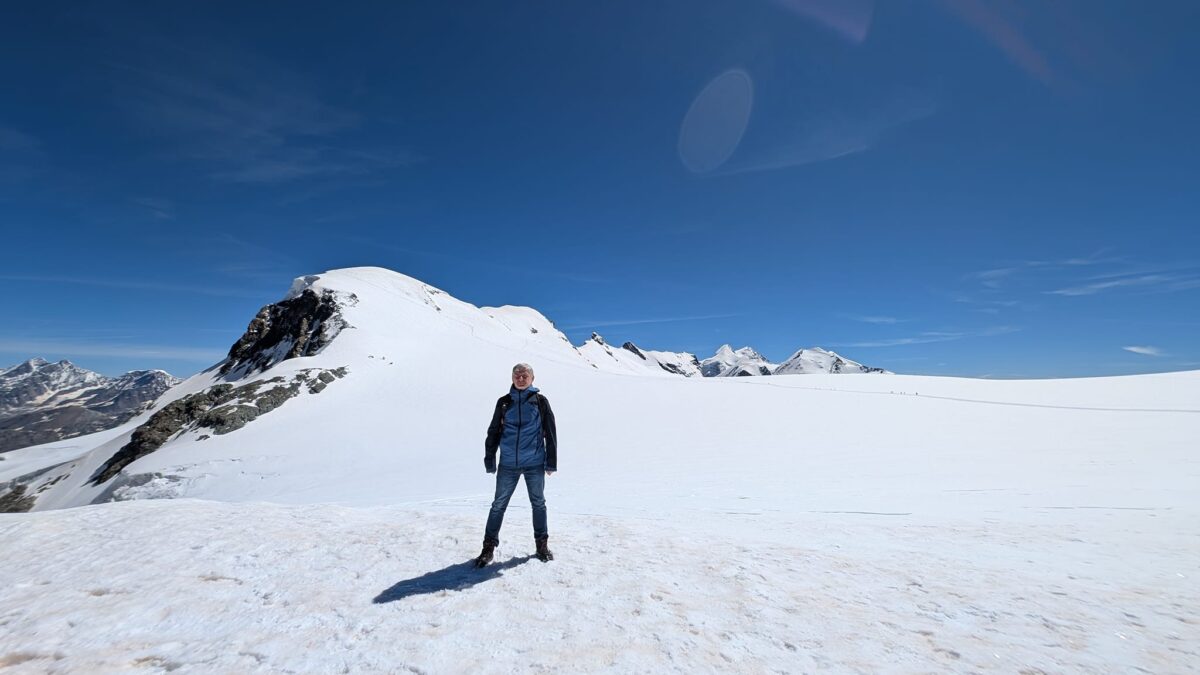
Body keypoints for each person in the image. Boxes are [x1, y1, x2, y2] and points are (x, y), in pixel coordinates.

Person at [475, 362, 558, 567]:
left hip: (535, 463)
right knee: (498, 505)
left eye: (525, 375)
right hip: (508, 464)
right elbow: (493, 431)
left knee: (538, 503)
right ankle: (488, 548)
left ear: (532, 378)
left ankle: (541, 545)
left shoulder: (540, 401)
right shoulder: (504, 402)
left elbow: (550, 431)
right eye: (517, 375)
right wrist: (489, 458)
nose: (521, 378)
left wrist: (551, 462)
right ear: (512, 378)